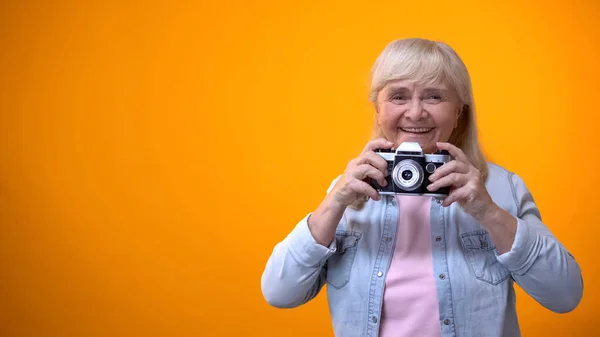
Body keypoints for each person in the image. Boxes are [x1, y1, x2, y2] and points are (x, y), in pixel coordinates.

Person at [260, 38, 583, 337]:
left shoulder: (500, 188)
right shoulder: (349, 192)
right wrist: (335, 202)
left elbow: (565, 295)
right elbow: (279, 292)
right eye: (398, 96)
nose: (415, 113)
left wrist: (487, 211)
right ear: (378, 107)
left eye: (434, 96)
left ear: (459, 110)